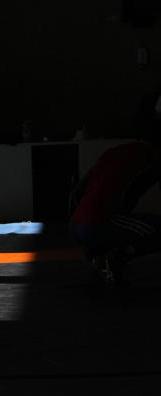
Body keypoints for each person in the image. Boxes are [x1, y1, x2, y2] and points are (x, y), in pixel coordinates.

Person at [69, 91, 161, 285]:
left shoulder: (112, 152)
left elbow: (77, 191)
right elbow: (133, 194)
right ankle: (117, 256)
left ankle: (98, 253)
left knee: (123, 221)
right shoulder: (151, 157)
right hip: (96, 224)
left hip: (76, 224)